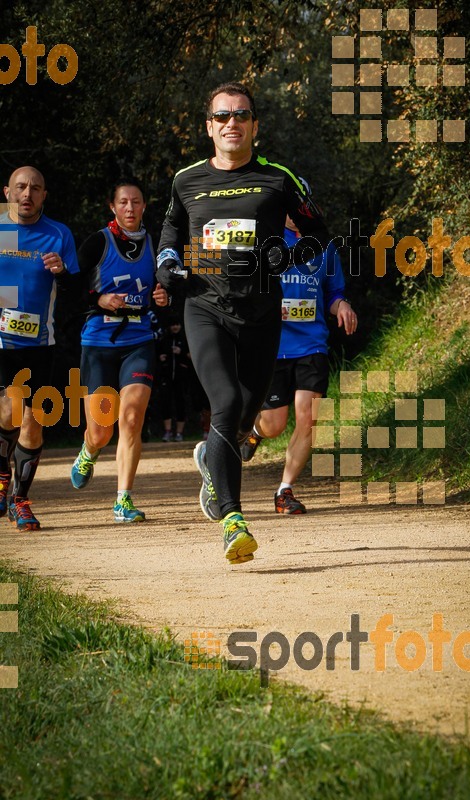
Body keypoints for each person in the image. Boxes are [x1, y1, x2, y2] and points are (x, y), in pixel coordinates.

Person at [156, 81, 332, 564]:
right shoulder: (186, 180)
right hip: (205, 308)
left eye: (242, 115)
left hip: (261, 315)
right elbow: (171, 229)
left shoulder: (278, 180)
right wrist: (167, 263)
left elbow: (318, 232)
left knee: (244, 418)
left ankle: (212, 461)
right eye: (222, 115)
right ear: (209, 126)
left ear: (254, 124)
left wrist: (290, 254)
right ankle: (233, 520)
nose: (232, 122)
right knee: (227, 403)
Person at [240, 181, 357, 513]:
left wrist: (343, 306)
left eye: (300, 203)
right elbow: (245, 288)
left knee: (308, 419)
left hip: (312, 345)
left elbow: (333, 293)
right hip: (274, 346)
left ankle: (284, 491)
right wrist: (265, 305)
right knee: (274, 424)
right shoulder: (265, 242)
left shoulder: (324, 246)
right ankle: (254, 433)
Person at [70, 178, 168, 521]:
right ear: (113, 207)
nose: (130, 208)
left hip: (138, 341)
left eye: (136, 202)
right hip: (98, 343)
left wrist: (163, 296)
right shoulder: (98, 242)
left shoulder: (156, 243)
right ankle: (89, 449)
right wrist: (99, 298)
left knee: (131, 418)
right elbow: (71, 288)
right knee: (101, 431)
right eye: (123, 202)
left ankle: (123, 499)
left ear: (144, 206)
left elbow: (169, 286)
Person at [0, 165, 79, 531]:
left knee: (33, 421)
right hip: (1, 341)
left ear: (44, 195)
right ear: (7, 192)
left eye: (35, 188)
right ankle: (3, 480)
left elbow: (80, 292)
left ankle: (20, 499)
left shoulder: (58, 234)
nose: (27, 194)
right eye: (20, 187)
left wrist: (63, 272)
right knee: (8, 412)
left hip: (39, 343)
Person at [157, 317, 189, 441]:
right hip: (166, 376)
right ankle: (168, 431)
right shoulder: (164, 340)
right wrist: (161, 358)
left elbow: (190, 357)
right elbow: (157, 354)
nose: (175, 327)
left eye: (177, 324)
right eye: (172, 325)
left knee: (181, 403)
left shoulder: (185, 340)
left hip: (181, 377)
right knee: (166, 403)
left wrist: (181, 352)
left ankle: (179, 433)